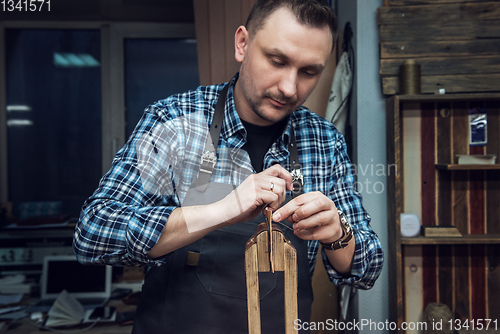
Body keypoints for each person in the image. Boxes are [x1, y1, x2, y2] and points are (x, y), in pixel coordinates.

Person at [73, 0, 383, 333]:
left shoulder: (324, 142)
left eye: (309, 72)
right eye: (277, 61)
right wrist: (223, 209)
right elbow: (93, 232)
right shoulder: (175, 122)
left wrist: (339, 234)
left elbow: (367, 270)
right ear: (242, 44)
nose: (290, 88)